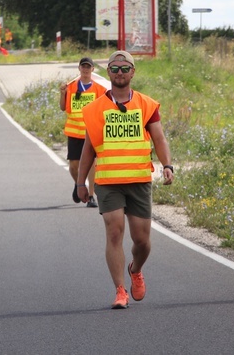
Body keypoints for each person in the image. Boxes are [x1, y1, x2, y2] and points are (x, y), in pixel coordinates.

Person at [76, 50, 174, 309]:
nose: (119, 72)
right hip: (108, 181)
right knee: (114, 230)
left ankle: (136, 269)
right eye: (115, 68)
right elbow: (88, 149)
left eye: (124, 68)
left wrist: (167, 165)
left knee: (142, 241)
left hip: (139, 180)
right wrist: (81, 182)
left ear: (133, 72)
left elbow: (159, 139)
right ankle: (120, 290)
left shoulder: (147, 105)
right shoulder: (95, 109)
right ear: (108, 72)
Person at [59, 57, 108, 208]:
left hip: (91, 133)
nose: (86, 69)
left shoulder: (100, 89)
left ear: (93, 69)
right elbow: (63, 108)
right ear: (79, 69)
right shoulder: (71, 87)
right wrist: (62, 94)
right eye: (83, 67)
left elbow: (104, 110)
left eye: (88, 67)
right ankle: (79, 184)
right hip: (74, 133)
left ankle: (91, 196)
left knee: (92, 164)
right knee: (74, 166)